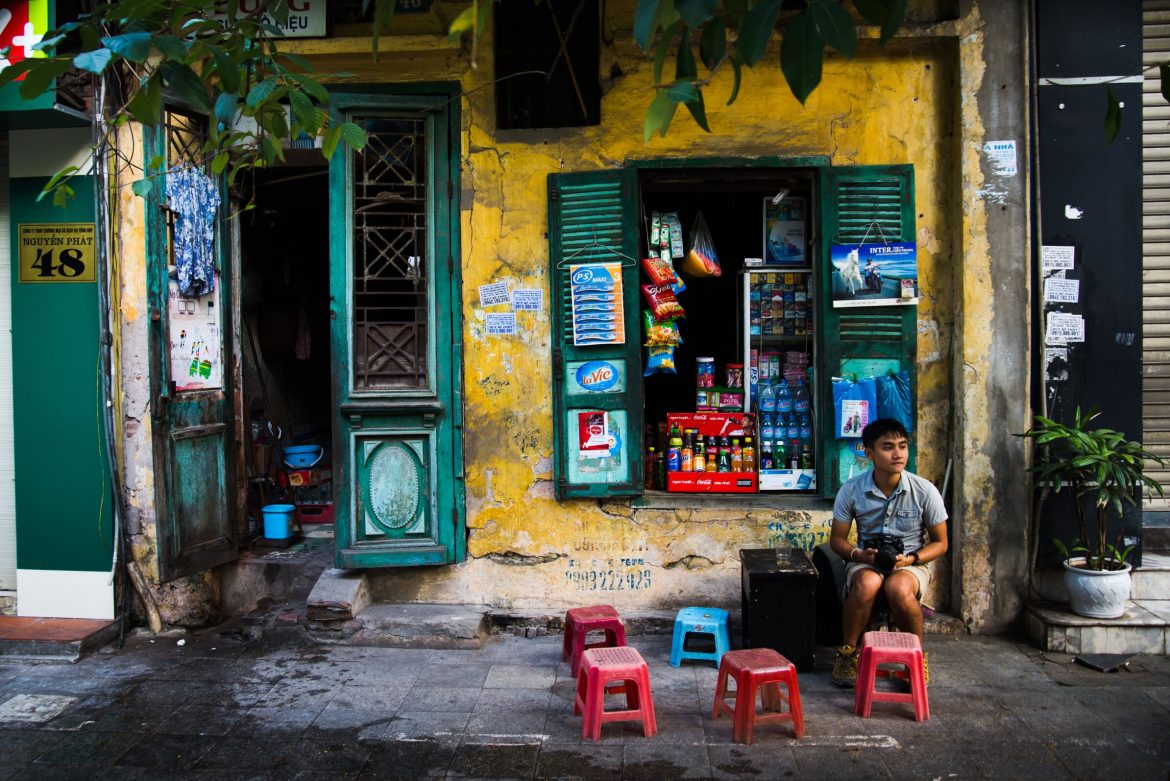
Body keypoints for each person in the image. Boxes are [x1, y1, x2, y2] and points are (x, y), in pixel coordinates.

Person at [828, 418, 948, 688]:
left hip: (911, 562)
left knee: (899, 588)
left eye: (902, 446)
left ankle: (915, 658)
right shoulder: (851, 490)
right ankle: (848, 653)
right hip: (866, 560)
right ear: (869, 453)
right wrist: (859, 555)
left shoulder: (924, 490)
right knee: (867, 583)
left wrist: (912, 559)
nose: (898, 454)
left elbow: (941, 543)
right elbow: (837, 540)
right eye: (888, 447)